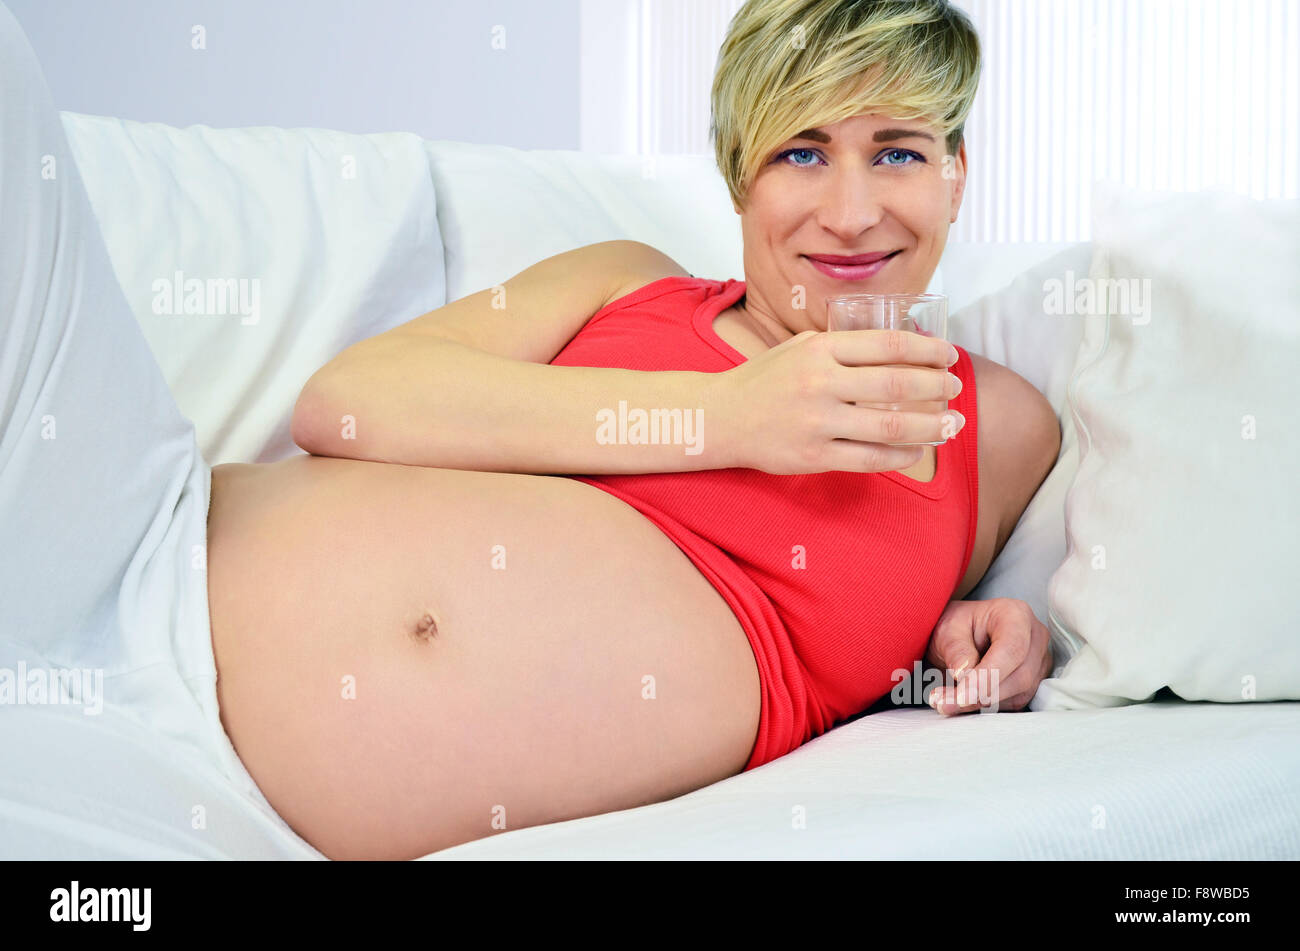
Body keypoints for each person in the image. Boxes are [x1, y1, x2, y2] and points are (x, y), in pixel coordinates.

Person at [1, 0, 1058, 862]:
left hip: (188, 796)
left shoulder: (999, 426)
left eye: (900, 154)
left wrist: (995, 629)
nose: (850, 209)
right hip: (133, 549)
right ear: (740, 173)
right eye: (802, 152)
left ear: (956, 175)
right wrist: (730, 417)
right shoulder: (626, 280)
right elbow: (347, 403)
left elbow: (889, 592)